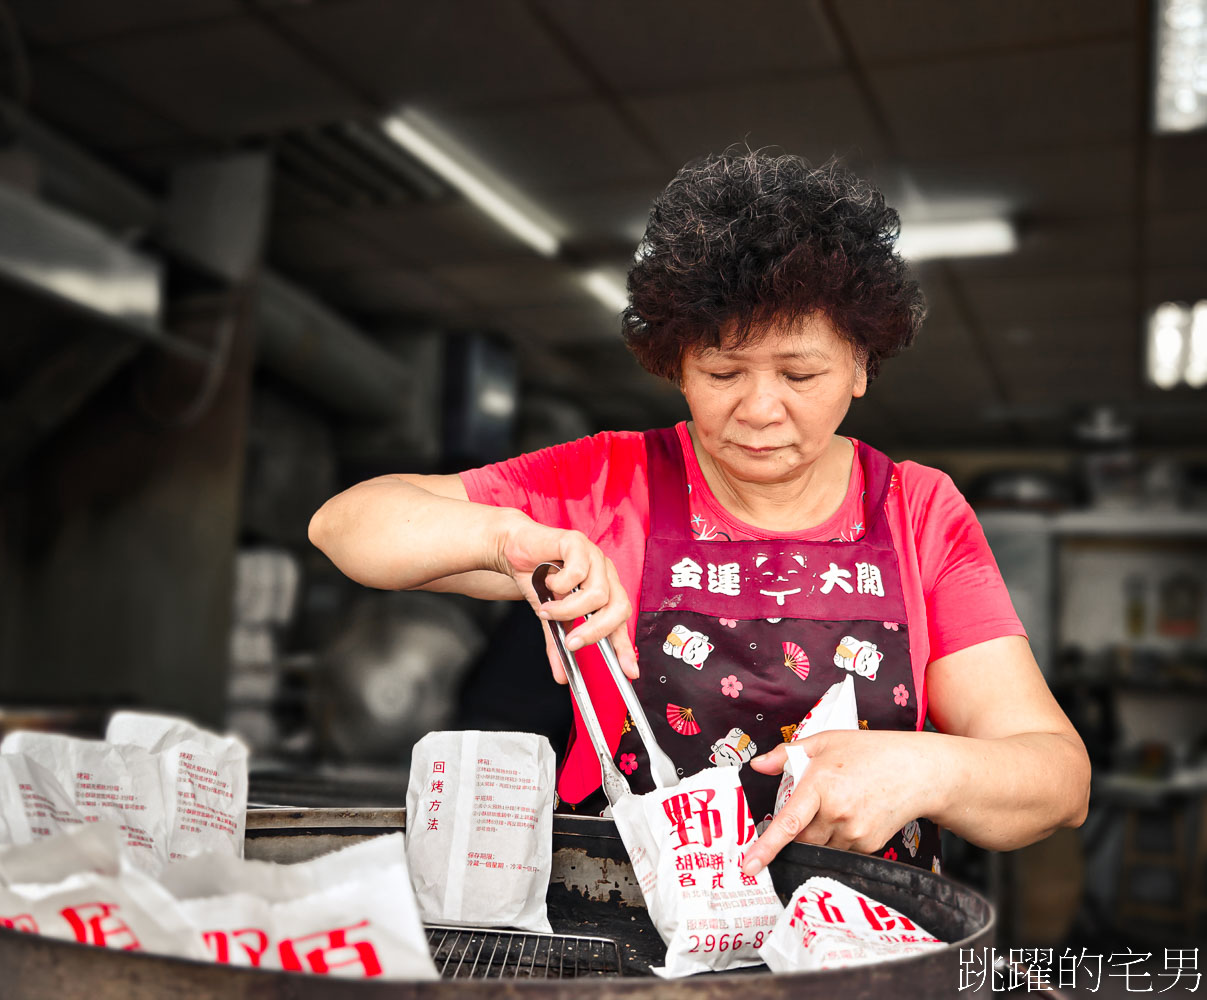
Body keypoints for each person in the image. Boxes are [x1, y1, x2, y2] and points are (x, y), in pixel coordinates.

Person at [309, 148, 1090, 877]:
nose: (758, 409)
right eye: (721, 371)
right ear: (676, 364)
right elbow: (346, 525)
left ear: (860, 366)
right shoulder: (614, 482)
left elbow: (1057, 780)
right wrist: (508, 538)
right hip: (626, 930)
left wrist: (925, 768)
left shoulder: (916, 511)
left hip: (861, 949)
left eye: (798, 372)